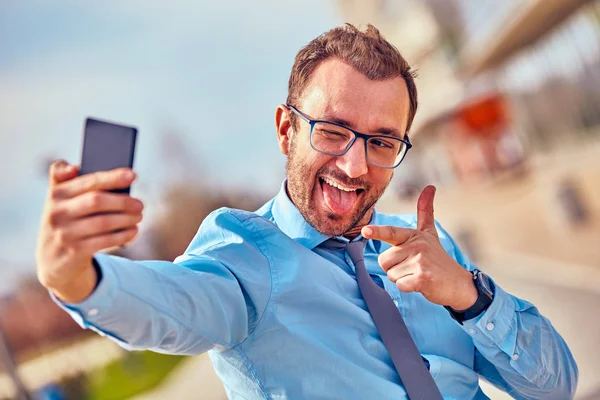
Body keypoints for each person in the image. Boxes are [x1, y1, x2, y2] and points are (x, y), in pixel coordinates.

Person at [36, 24, 578, 400]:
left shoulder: (426, 251)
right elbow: (169, 304)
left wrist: (470, 297)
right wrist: (72, 275)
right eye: (333, 131)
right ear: (286, 130)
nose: (355, 165)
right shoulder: (244, 258)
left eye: (382, 142)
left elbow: (556, 387)